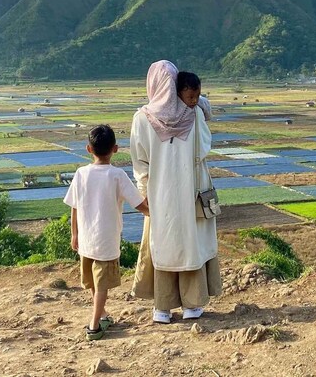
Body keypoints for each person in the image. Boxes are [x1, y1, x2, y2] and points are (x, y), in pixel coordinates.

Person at [131, 61, 222, 324]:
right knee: (191, 242)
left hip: (159, 196)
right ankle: (192, 305)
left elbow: (140, 163)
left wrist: (143, 191)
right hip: (191, 191)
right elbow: (203, 147)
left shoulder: (141, 118)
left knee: (163, 244)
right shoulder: (192, 115)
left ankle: (162, 308)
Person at [64, 125, 149, 341]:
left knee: (93, 281)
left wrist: (74, 234)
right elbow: (140, 204)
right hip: (107, 239)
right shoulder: (117, 174)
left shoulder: (81, 173)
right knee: (101, 283)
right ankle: (94, 326)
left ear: (88, 149)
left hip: (86, 238)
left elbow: (74, 206)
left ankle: (102, 316)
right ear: (116, 149)